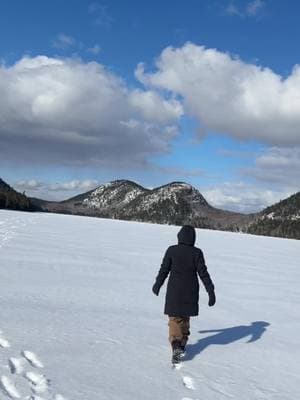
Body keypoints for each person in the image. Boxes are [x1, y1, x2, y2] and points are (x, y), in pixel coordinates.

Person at [152, 225, 216, 364]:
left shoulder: (171, 250)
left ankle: (176, 345)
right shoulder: (197, 253)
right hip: (190, 292)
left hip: (174, 291)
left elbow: (164, 270)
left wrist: (158, 284)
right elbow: (203, 274)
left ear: (179, 236)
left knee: (175, 319)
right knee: (185, 319)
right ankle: (181, 345)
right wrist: (210, 291)